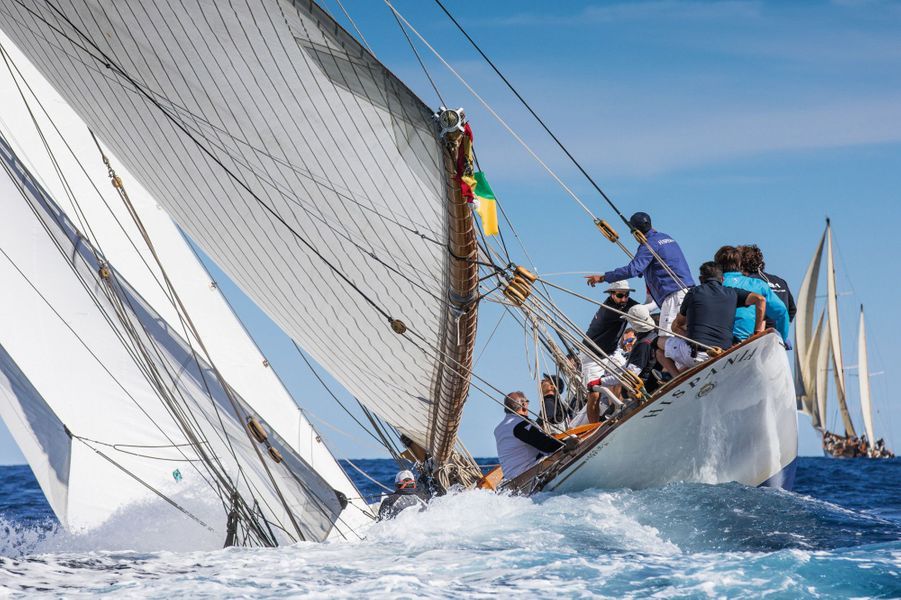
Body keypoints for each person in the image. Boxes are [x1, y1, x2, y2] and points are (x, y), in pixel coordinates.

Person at [585, 212, 695, 344]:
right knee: (687, 330)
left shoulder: (648, 245)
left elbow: (633, 269)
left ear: (635, 231)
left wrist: (603, 278)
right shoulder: (667, 238)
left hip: (673, 296)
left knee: (667, 340)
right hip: (688, 292)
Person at [662, 262, 767, 374]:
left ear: (701, 279)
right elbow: (760, 300)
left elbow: (678, 324)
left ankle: (673, 377)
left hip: (696, 355)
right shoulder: (732, 293)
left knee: (657, 343)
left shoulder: (693, 292)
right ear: (722, 279)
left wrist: (687, 334)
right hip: (723, 354)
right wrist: (757, 332)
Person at [494, 391, 577, 480]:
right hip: (528, 474)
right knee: (572, 443)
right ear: (523, 405)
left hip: (511, 477)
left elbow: (523, 442)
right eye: (527, 402)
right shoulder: (521, 424)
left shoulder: (499, 428)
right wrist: (566, 443)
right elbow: (546, 446)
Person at [714, 246, 789, 342]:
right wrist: (781, 340)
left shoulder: (711, 286)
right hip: (747, 344)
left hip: (717, 344)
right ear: (740, 263)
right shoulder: (758, 285)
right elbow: (782, 312)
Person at [739, 244, 797, 327]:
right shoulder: (780, 281)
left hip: (760, 334)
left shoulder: (748, 282)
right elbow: (792, 310)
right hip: (779, 335)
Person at [584, 281, 639, 355]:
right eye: (620, 295)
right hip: (592, 353)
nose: (623, 299)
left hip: (610, 352)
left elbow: (641, 308)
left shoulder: (624, 302)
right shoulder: (609, 310)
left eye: (627, 295)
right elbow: (638, 310)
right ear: (612, 295)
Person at [622, 304, 661, 394]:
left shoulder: (643, 344)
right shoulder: (654, 334)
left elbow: (633, 372)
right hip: (651, 381)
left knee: (621, 386)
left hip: (645, 388)